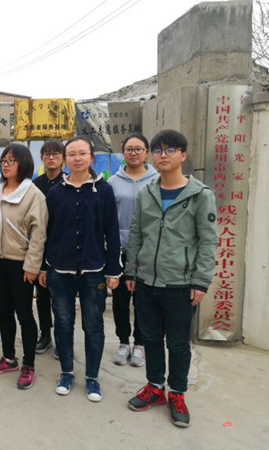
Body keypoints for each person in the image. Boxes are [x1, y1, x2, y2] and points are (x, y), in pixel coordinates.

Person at [125, 130, 218, 428]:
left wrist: (201, 281)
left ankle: (177, 393)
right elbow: (136, 234)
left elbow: (208, 241)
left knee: (178, 343)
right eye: (158, 150)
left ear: (183, 155)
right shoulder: (147, 193)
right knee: (150, 337)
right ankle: (155, 387)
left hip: (180, 284)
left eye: (170, 149)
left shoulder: (200, 195)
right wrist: (131, 271)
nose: (162, 155)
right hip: (146, 282)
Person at [40, 136, 121, 402]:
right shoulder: (56, 192)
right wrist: (43, 267)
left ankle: (92, 377)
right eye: (72, 154)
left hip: (93, 270)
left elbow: (112, 231)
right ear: (66, 159)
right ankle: (66, 372)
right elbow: (47, 232)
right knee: (63, 323)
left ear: (91, 158)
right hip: (59, 269)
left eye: (82, 153)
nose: (77, 158)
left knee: (93, 325)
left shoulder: (104, 190)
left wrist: (113, 270)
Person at [0, 143, 47, 390]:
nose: (6, 164)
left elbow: (38, 235)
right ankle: (9, 357)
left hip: (21, 265)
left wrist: (32, 266)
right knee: (4, 312)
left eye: (11, 160)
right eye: (4, 160)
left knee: (24, 315)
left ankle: (28, 364)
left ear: (24, 164)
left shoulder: (33, 195)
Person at [107, 133, 158, 367]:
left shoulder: (157, 180)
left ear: (146, 153)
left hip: (148, 250)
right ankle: (123, 342)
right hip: (119, 250)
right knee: (120, 301)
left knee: (143, 301)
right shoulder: (113, 182)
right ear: (123, 152)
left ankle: (140, 344)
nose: (134, 153)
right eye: (129, 149)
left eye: (138, 149)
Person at [32, 139, 66, 355]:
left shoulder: (69, 182)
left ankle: (63, 338)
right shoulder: (35, 184)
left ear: (63, 158)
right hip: (41, 246)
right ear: (42, 158)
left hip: (63, 248)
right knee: (42, 296)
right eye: (47, 154)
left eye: (55, 154)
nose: (51, 158)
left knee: (62, 300)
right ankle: (45, 334)